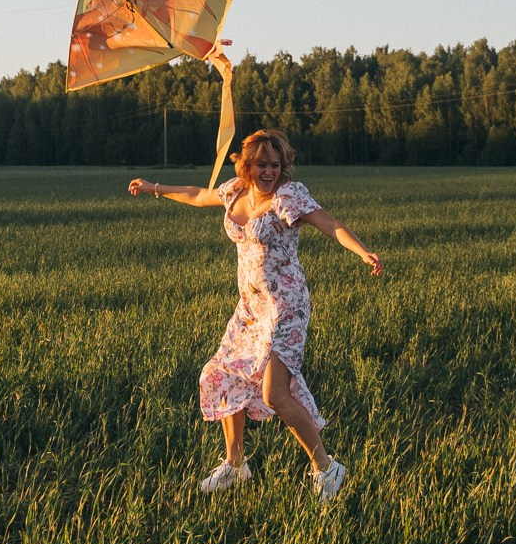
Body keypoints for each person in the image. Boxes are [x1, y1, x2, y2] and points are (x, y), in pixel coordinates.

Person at [129, 130, 382, 504]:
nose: (269, 172)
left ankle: (327, 468)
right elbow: (198, 195)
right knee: (220, 374)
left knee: (275, 394)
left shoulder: (289, 197)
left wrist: (363, 252)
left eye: (275, 165)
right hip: (250, 307)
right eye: (262, 164)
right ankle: (235, 465)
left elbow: (330, 224)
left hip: (286, 306)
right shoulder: (234, 190)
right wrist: (154, 187)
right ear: (247, 165)